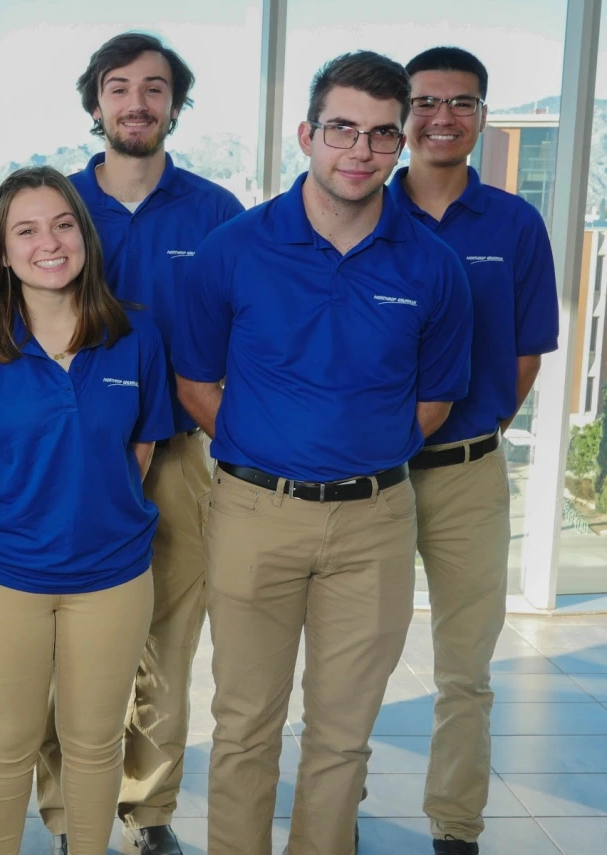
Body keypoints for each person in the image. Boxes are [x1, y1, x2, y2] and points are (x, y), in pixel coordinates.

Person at [173, 51, 474, 855]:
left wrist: (354, 458)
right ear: (308, 134)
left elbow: (432, 404)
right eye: (342, 128)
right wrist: (274, 453)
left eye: (382, 134)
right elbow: (196, 382)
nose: (360, 150)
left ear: (401, 145)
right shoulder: (232, 249)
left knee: (343, 735)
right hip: (252, 513)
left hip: (375, 522)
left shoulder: (433, 267)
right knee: (243, 727)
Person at [37, 33, 244, 855]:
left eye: (153, 89)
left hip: (181, 456)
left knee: (167, 639)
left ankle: (149, 811)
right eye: (118, 88)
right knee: (66, 640)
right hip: (70, 456)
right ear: (95, 104)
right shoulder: (55, 207)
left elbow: (241, 335)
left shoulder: (217, 214)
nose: (135, 103)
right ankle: (64, 814)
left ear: (174, 105)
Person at [0, 166, 173, 855]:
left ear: (85, 237)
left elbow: (143, 445)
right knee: (7, 742)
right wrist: (20, 514)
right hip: (0, 577)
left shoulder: (136, 338)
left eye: (63, 224)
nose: (50, 242)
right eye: (27, 230)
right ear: (2, 252)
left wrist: (87, 505)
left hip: (113, 576)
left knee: (95, 743)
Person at [390, 47, 559, 855]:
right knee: (355, 666)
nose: (443, 117)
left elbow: (525, 352)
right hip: (373, 478)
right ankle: (337, 810)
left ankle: (455, 827)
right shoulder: (363, 208)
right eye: (426, 102)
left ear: (482, 116)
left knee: (465, 671)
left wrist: (478, 426)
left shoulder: (515, 225)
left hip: (467, 473)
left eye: (462, 103)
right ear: (402, 114)